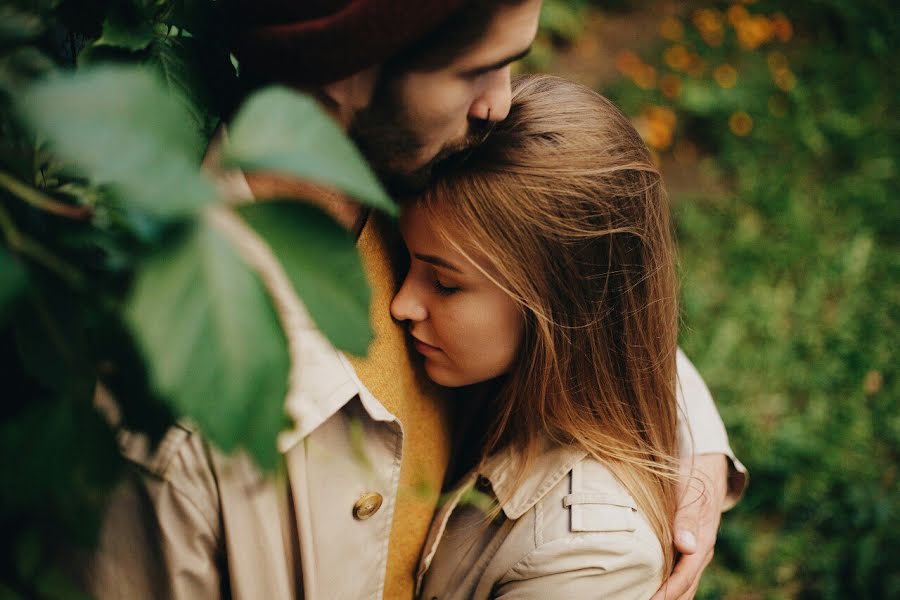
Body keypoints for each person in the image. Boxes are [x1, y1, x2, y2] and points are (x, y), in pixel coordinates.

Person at [83, 1, 745, 599]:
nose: (500, 105)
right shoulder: (172, 430)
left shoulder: (430, 183)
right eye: (476, 72)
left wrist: (690, 438)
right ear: (344, 70)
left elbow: (583, 298)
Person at [393, 73, 699, 598]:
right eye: (404, 262)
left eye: (444, 284)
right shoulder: (499, 375)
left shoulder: (590, 558)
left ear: (560, 303)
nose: (401, 304)